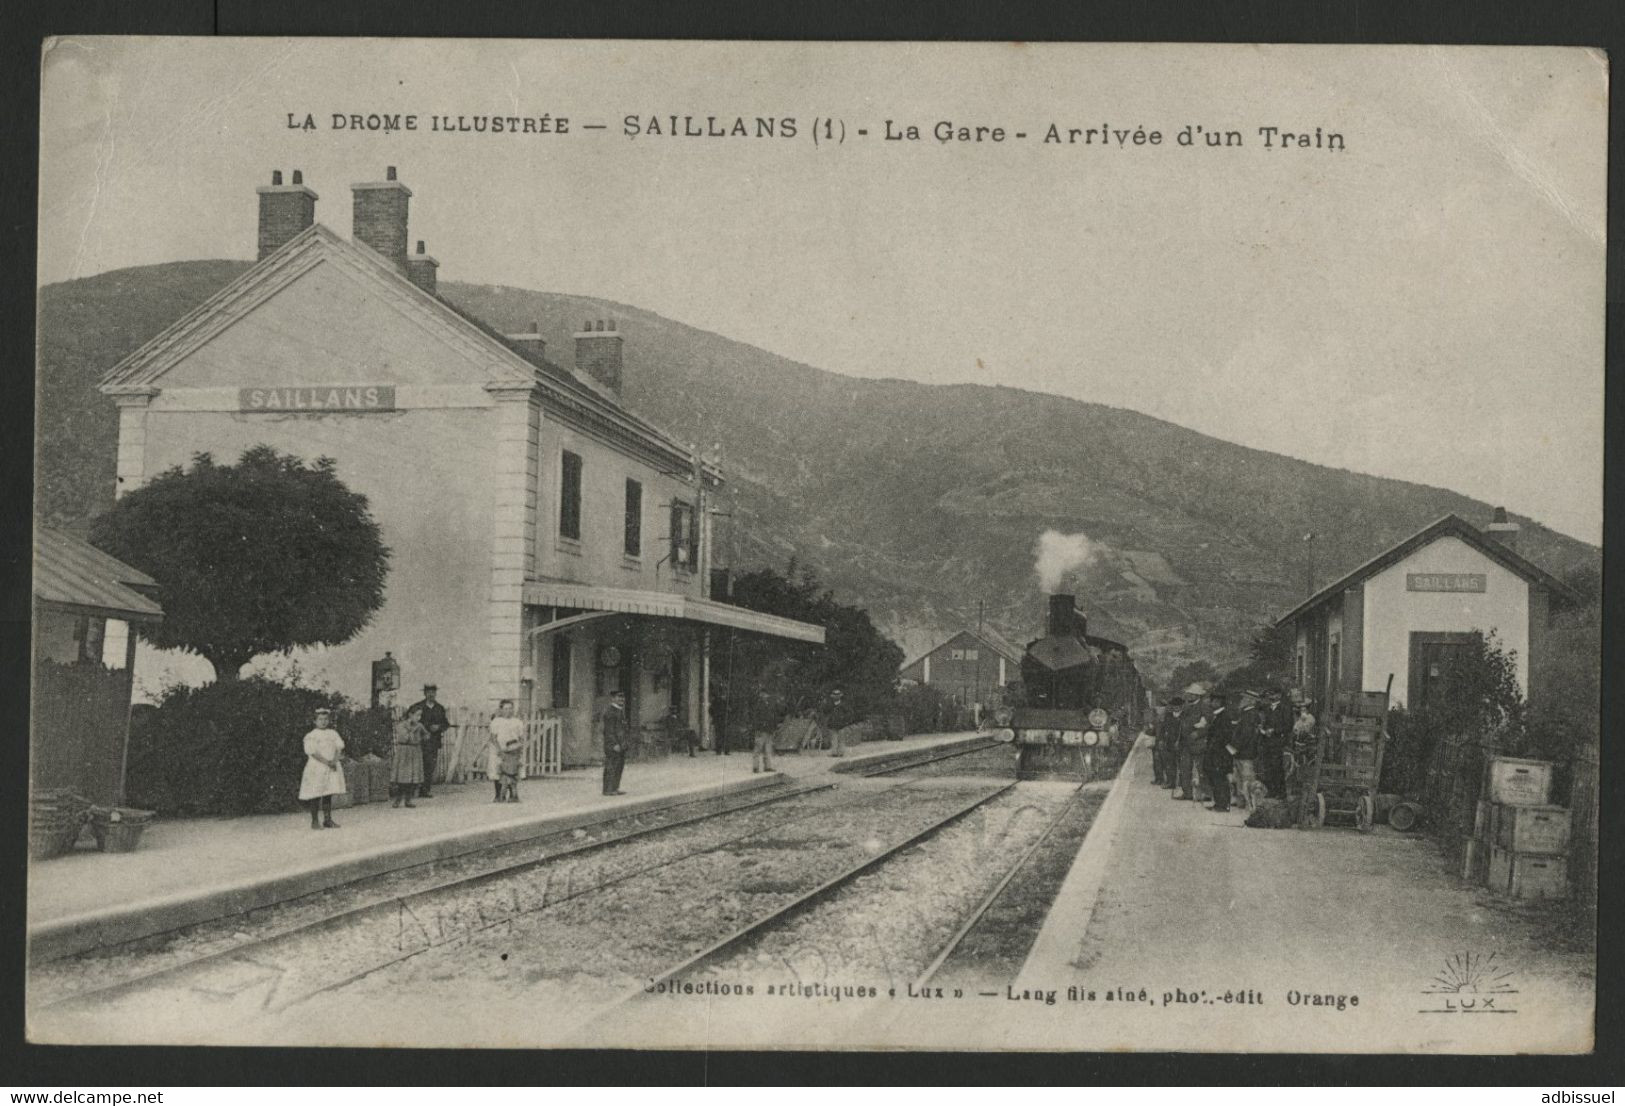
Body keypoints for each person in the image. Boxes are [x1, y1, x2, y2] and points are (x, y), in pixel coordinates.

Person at [298, 707, 346, 830]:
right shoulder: (311, 735)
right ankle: (314, 821)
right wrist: (326, 762)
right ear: (315, 721)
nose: (323, 722)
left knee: (328, 792)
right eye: (320, 719)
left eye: (325, 719)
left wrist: (334, 760)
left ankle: (328, 819)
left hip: (331, 765)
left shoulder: (333, 733)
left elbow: (339, 747)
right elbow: (312, 752)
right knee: (316, 793)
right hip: (317, 767)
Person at [406, 684, 450, 798]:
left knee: (430, 765)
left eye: (433, 692)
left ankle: (425, 790)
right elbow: (409, 719)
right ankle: (412, 789)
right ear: (424, 693)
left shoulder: (440, 708)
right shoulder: (418, 706)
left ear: (436, 694)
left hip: (433, 742)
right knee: (417, 764)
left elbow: (446, 724)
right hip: (419, 741)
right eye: (428, 692)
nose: (431, 694)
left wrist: (439, 727)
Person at [486, 699, 525, 803]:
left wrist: (518, 749)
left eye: (510, 708)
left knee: (513, 771)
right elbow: (493, 738)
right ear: (501, 710)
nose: (508, 711)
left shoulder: (518, 722)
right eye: (506, 708)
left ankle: (513, 795)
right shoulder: (496, 722)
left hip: (513, 750)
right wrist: (500, 751)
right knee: (498, 772)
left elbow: (521, 738)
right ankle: (498, 795)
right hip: (499, 750)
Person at [1202, 690, 1235, 812]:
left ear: (1219, 702)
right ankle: (1219, 803)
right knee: (1215, 777)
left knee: (1219, 778)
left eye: (1213, 701)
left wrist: (1213, 747)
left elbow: (1223, 736)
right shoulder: (1218, 716)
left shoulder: (1224, 717)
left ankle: (1223, 804)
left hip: (1219, 754)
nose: (1211, 703)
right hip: (1215, 753)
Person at [1231, 690, 1263, 812]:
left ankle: (1250, 803)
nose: (1241, 701)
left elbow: (1246, 734)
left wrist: (1234, 747)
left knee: (1247, 778)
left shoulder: (1251, 714)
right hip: (1243, 751)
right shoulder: (1247, 713)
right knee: (1241, 777)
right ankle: (1243, 802)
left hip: (1246, 751)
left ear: (1250, 700)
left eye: (1244, 699)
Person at [390, 707, 426, 808]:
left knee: (412, 778)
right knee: (403, 777)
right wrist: (413, 730)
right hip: (404, 753)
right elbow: (404, 738)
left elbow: (426, 735)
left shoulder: (420, 726)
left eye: (420, 716)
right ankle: (398, 799)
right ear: (410, 715)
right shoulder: (401, 726)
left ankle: (408, 800)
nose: (419, 718)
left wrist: (422, 737)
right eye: (417, 715)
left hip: (415, 752)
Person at [598, 689, 630, 796]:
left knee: (619, 766)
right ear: (613, 698)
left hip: (621, 744)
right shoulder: (610, 712)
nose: (622, 699)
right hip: (614, 745)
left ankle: (615, 788)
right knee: (611, 766)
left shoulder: (619, 711)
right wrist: (614, 744)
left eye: (623, 697)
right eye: (619, 697)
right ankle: (607, 789)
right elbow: (609, 730)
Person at [1156, 698, 1186, 789]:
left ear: (1181, 706)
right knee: (1170, 764)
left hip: (1181, 743)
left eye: (1178, 706)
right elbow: (1162, 728)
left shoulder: (1185, 716)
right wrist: (1161, 740)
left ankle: (1182, 783)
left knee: (1182, 764)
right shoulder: (1168, 716)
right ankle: (1170, 782)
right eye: (1174, 706)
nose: (1176, 708)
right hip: (1169, 743)